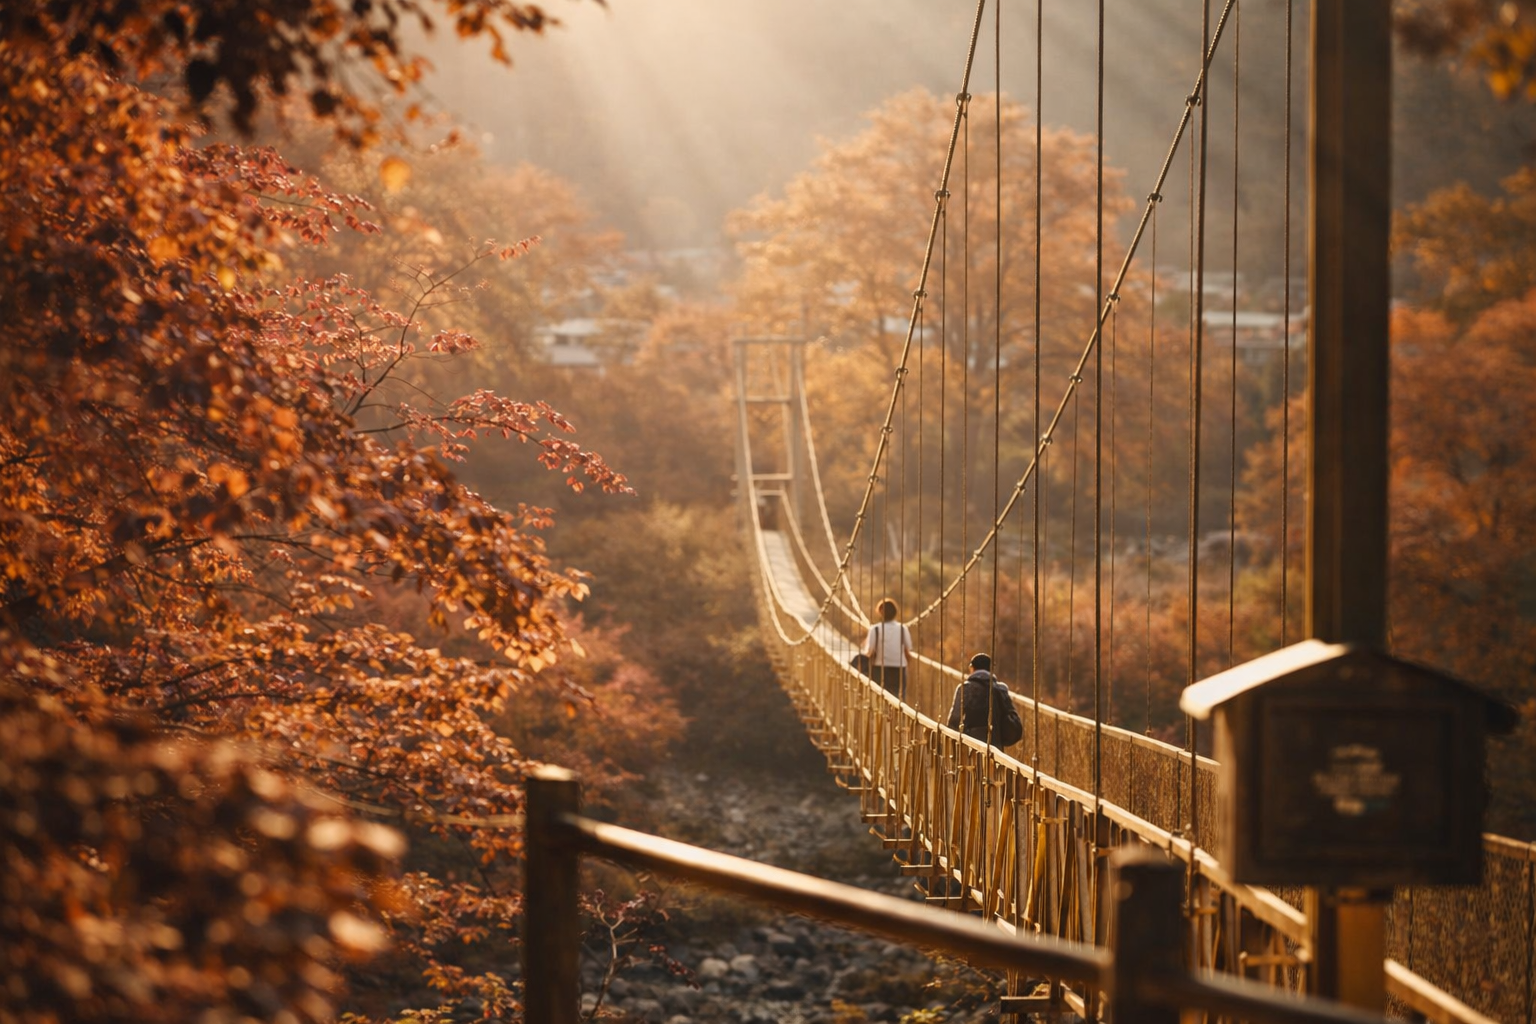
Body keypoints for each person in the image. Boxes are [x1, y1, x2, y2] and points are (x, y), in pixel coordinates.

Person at [946, 652, 1020, 745]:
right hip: (995, 746)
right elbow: (1012, 715)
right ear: (991, 669)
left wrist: (950, 741)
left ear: (971, 668)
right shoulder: (1001, 689)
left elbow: (955, 719)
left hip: (971, 747)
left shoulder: (965, 689)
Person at [861, 598, 913, 699]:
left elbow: (869, 652)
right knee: (898, 700)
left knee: (879, 699)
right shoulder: (903, 628)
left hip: (879, 669)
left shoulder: (874, 629)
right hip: (899, 669)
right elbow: (907, 651)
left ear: (880, 612)